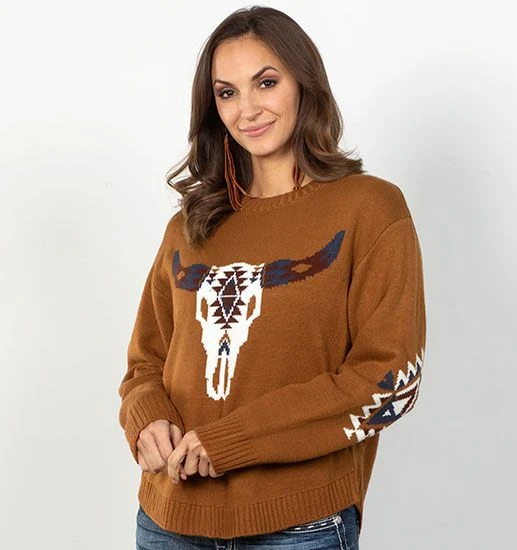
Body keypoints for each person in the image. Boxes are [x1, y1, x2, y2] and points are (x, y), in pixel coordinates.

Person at [118, 5, 426, 549]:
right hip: (168, 519)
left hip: (299, 525)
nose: (248, 109)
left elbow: (390, 377)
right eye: (227, 92)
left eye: (266, 82)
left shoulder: (369, 209)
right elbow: (147, 361)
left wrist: (234, 441)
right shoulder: (189, 226)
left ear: (304, 83)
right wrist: (146, 420)